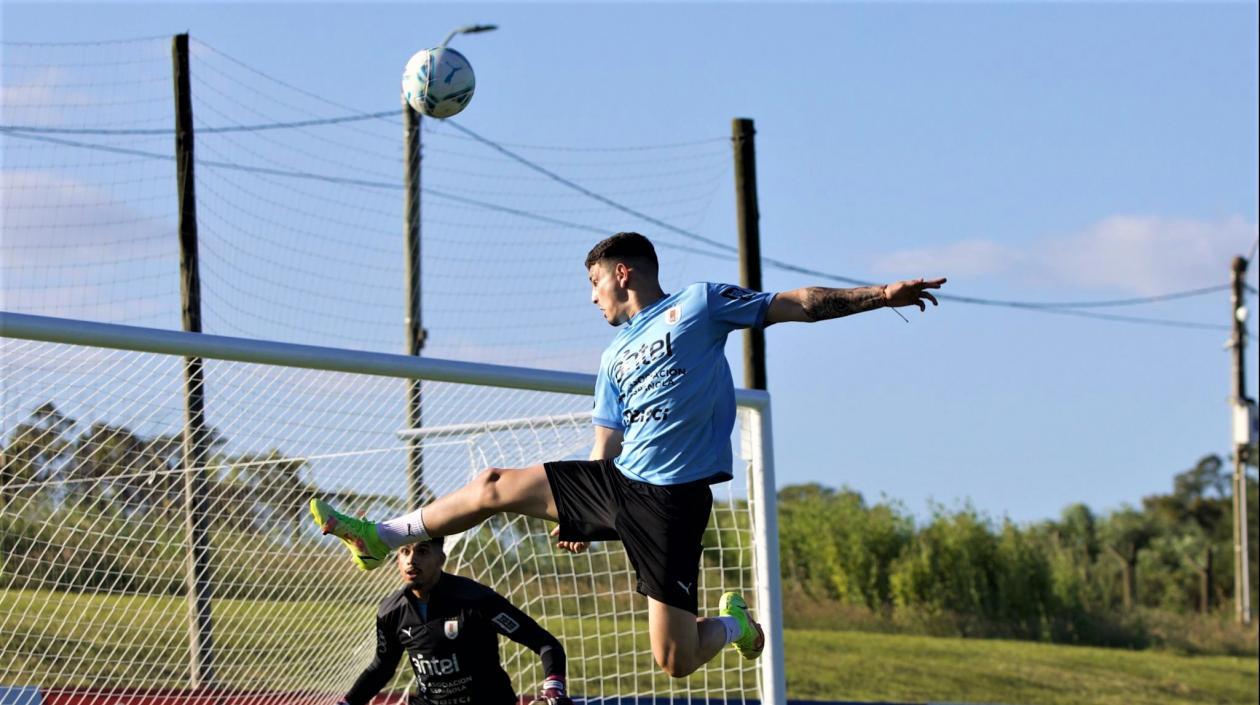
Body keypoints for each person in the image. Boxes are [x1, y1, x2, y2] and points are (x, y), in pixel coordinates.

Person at [313, 231, 946, 678]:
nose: (592, 299)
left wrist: (879, 294)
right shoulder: (612, 358)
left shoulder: (697, 306)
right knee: (493, 483)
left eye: (594, 283)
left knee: (673, 660)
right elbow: (605, 442)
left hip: (671, 504)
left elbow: (795, 305)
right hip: (615, 483)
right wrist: (576, 512)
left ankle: (733, 626)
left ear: (624, 273)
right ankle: (382, 534)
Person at [334, 536, 572, 705]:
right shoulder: (390, 611)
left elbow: (544, 643)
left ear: (441, 558)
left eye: (422, 551)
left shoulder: (477, 600)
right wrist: (348, 702)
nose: (411, 560)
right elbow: (382, 667)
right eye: (404, 552)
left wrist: (554, 687)